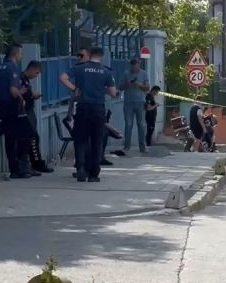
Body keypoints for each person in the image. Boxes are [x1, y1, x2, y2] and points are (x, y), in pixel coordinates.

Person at [60, 46, 117, 182]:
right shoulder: (106, 72)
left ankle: (80, 168)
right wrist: (101, 89)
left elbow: (63, 77)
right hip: (98, 109)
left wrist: (75, 88)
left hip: (82, 108)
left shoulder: (80, 68)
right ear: (102, 56)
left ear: (90, 54)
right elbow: (113, 93)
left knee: (81, 139)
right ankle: (93, 174)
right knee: (97, 141)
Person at [0, 44, 32, 179]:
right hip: (11, 106)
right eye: (21, 54)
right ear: (16, 54)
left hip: (1, 106)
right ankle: (19, 168)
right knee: (26, 133)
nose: (21, 57)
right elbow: (13, 90)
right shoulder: (13, 68)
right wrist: (22, 98)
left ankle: (15, 168)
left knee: (10, 138)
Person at [20, 61, 54, 174]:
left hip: (29, 111)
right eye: (37, 72)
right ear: (32, 69)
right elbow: (21, 95)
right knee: (32, 137)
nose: (37, 75)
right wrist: (31, 95)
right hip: (24, 113)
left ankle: (36, 163)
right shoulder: (21, 79)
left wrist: (32, 96)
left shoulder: (26, 80)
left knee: (33, 137)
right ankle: (36, 163)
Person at [120, 59, 150, 153]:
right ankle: (127, 146)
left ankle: (142, 147)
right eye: (132, 66)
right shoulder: (126, 73)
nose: (134, 68)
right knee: (128, 124)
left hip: (140, 102)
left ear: (139, 65)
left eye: (136, 65)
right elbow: (120, 87)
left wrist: (139, 85)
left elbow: (148, 87)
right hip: (128, 102)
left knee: (141, 124)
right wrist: (128, 84)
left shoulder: (144, 74)